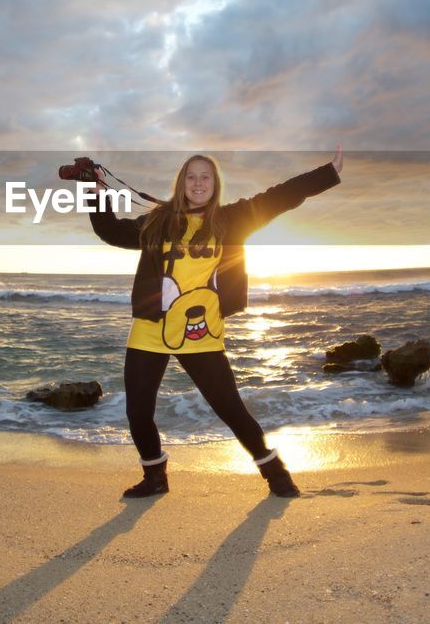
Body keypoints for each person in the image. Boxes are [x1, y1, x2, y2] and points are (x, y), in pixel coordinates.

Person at [89, 147, 343, 499]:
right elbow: (113, 233)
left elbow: (280, 197)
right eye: (191, 176)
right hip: (150, 330)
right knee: (138, 411)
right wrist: (97, 196)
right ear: (181, 183)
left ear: (215, 184)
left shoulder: (232, 219)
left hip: (202, 333)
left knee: (230, 409)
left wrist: (327, 173)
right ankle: (155, 477)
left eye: (204, 176)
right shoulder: (159, 222)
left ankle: (275, 473)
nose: (197, 183)